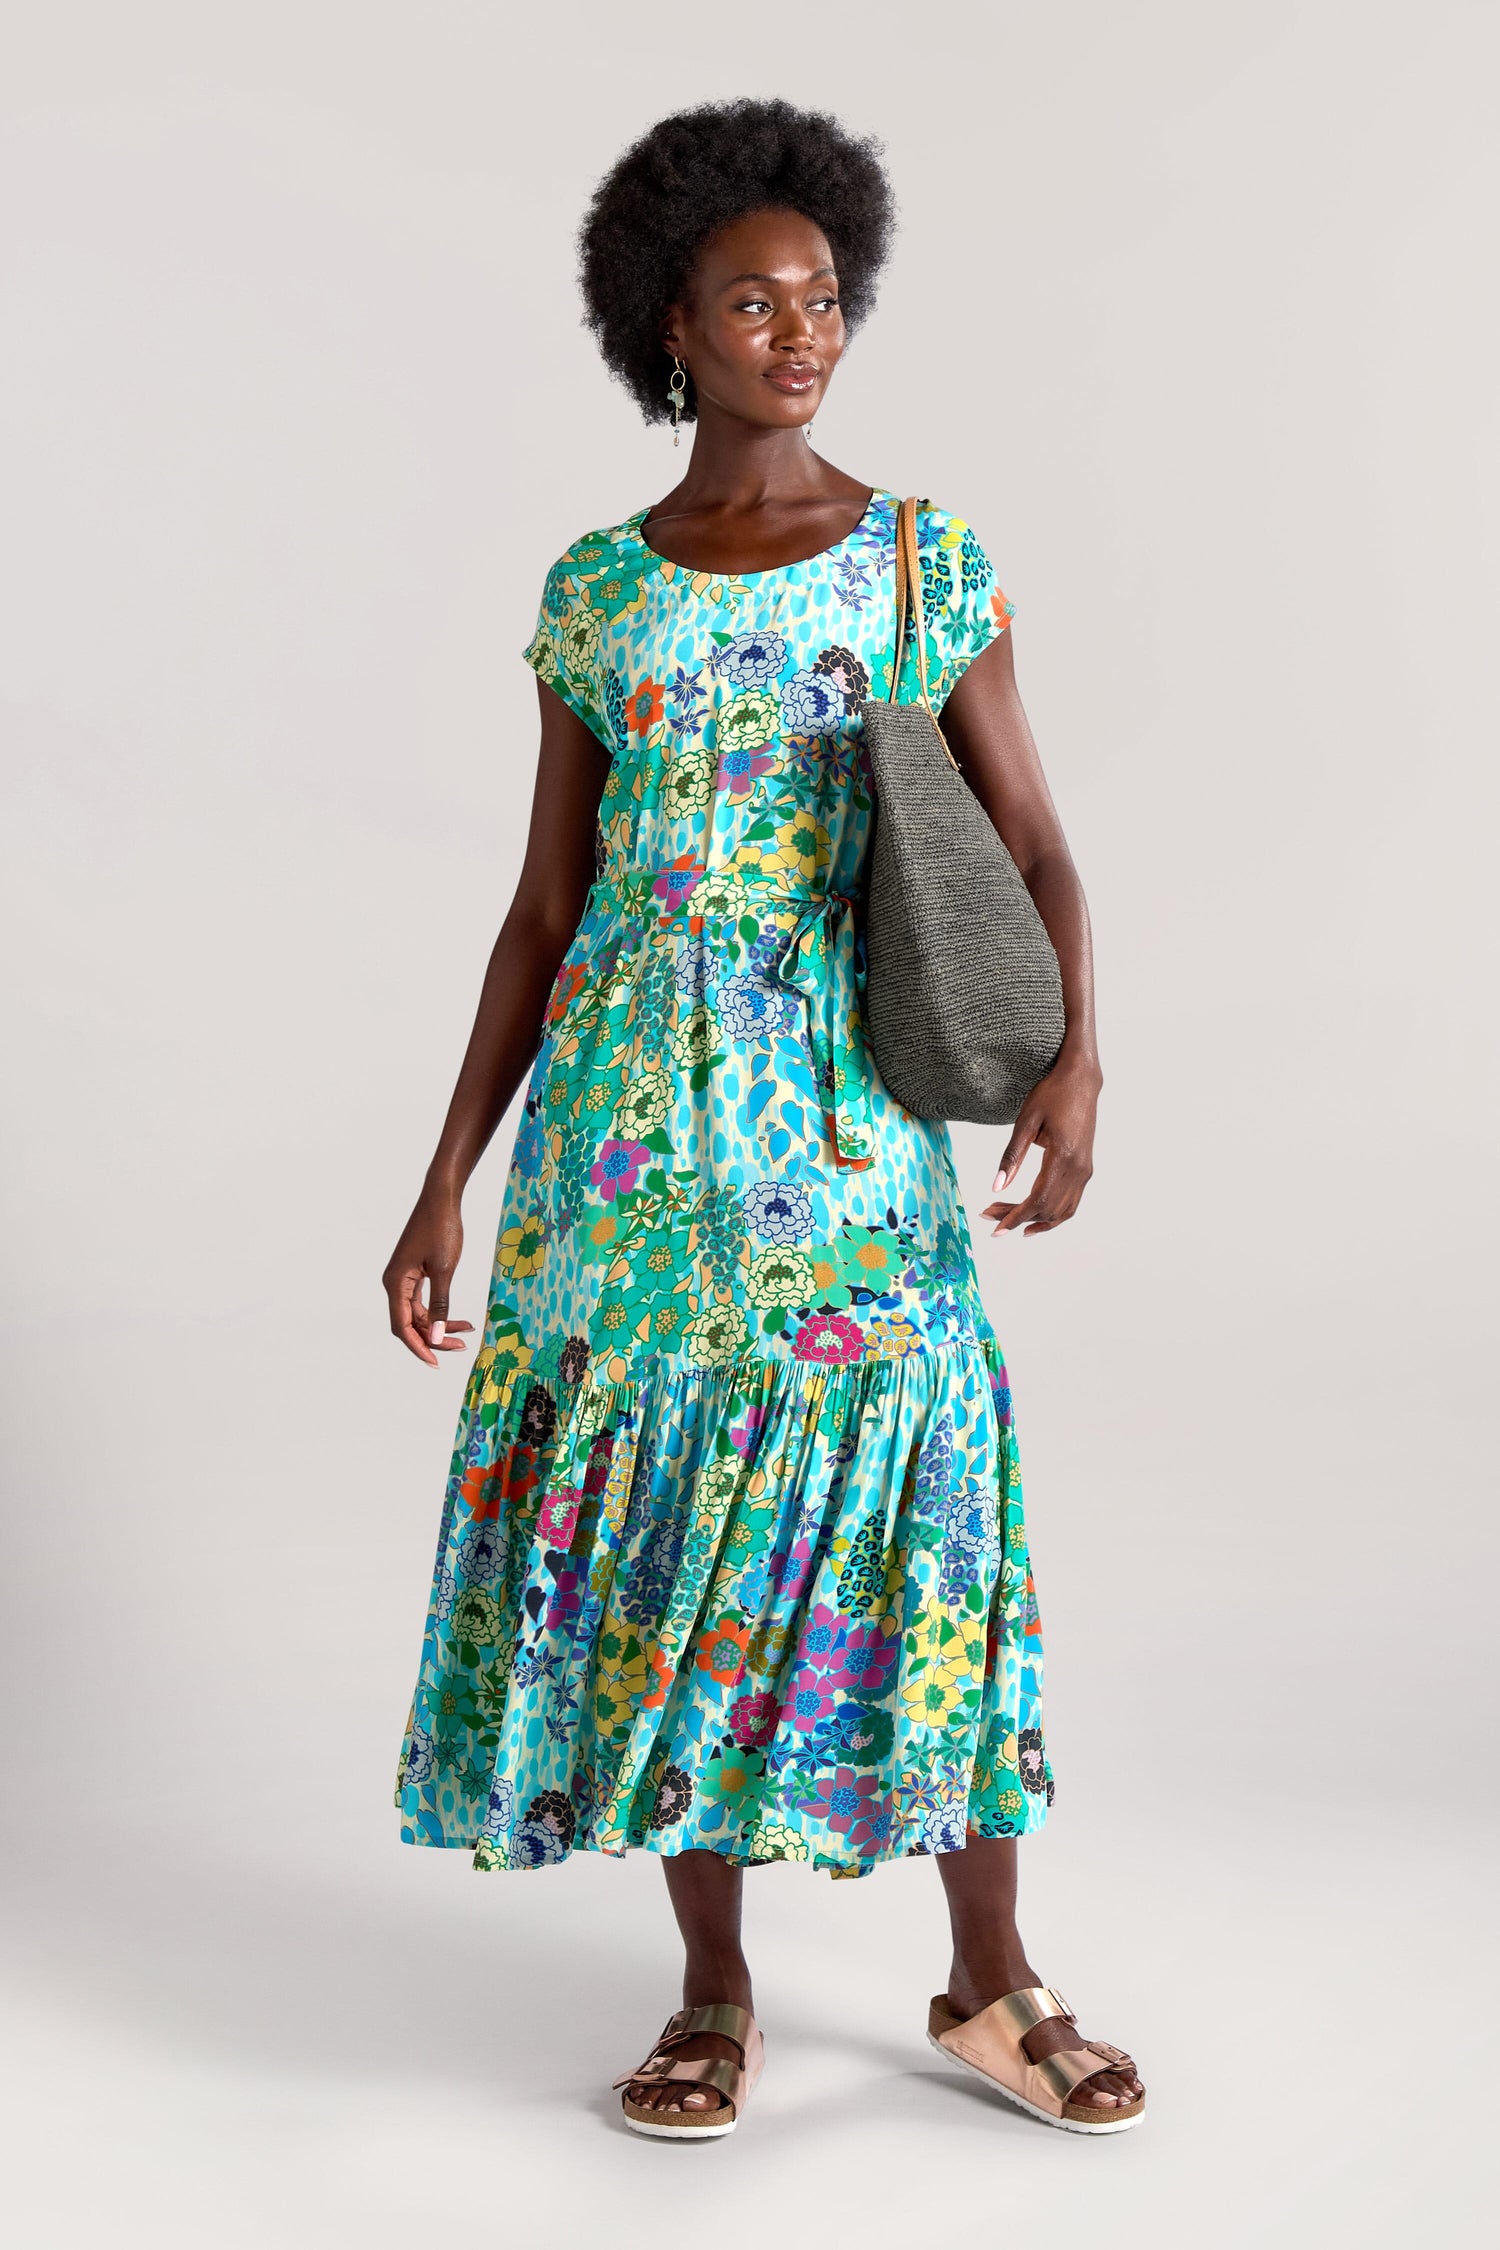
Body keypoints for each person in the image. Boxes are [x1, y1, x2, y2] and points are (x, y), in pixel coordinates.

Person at [384, 97, 1143, 2140]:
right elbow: (547, 910)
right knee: (654, 1559)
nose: (801, 332)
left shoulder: (920, 559)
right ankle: (713, 1991)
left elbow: (1039, 848)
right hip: (617, 1172)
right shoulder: (596, 599)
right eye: (752, 299)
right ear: (670, 328)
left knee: (927, 1519)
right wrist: (444, 1181)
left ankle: (992, 1980)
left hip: (837, 1143)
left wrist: (1080, 1056)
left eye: (823, 296)